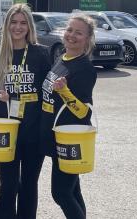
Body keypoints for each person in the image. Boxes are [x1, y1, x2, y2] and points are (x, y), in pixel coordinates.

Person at [0, 3, 51, 219]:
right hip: (6, 131)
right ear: (6, 25)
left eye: (23, 23)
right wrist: (0, 94)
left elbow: (47, 92)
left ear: (29, 26)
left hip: (33, 130)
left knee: (29, 185)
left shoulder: (41, 53)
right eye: (13, 22)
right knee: (9, 184)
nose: (18, 27)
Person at [39, 13, 97, 219]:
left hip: (71, 137)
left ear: (88, 39)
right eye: (70, 30)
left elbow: (83, 111)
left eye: (79, 33)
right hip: (56, 135)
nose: (72, 35)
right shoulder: (61, 57)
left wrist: (65, 91)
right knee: (72, 191)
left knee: (61, 193)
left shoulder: (85, 68)